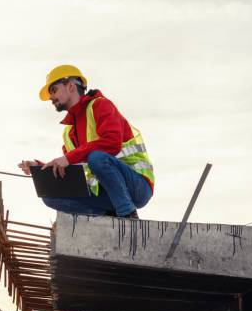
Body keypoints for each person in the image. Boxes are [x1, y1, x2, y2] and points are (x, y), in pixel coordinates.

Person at [18, 65, 154, 219]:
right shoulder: (69, 133)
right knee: (50, 196)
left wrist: (68, 158)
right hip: (108, 194)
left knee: (97, 157)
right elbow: (72, 169)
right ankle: (108, 215)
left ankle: (128, 215)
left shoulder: (100, 105)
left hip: (137, 185)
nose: (51, 98)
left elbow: (112, 143)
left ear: (70, 86)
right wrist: (41, 168)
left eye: (54, 90)